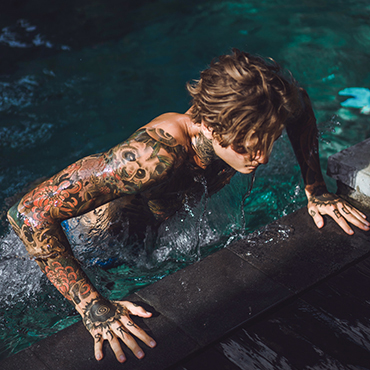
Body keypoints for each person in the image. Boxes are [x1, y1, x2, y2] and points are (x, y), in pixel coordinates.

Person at [7, 49, 370, 364]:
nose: (262, 157)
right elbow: (29, 213)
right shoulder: (154, 155)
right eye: (251, 146)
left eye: (268, 142)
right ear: (213, 126)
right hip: (84, 247)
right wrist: (91, 305)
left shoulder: (254, 116)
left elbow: (300, 106)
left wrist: (316, 188)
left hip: (140, 244)